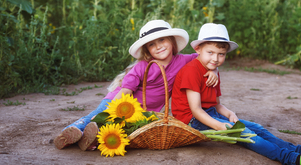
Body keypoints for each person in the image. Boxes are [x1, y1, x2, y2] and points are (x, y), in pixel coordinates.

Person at [171, 23, 301, 165]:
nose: (215, 59)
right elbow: (196, 110)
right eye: (210, 53)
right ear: (198, 49)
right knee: (247, 135)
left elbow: (216, 105)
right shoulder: (192, 71)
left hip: (211, 113)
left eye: (221, 54)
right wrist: (219, 126)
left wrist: (229, 114)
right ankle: (295, 160)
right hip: (193, 120)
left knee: (257, 128)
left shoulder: (214, 72)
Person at [54, 20, 218, 150]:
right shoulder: (142, 67)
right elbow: (125, 91)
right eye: (152, 44)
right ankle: (70, 133)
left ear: (172, 41)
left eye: (162, 40)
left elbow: (206, 58)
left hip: (141, 114)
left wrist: (214, 71)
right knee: (96, 118)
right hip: (119, 103)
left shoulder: (183, 60)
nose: (158, 46)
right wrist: (111, 109)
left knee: (118, 132)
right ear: (147, 49)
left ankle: (87, 139)